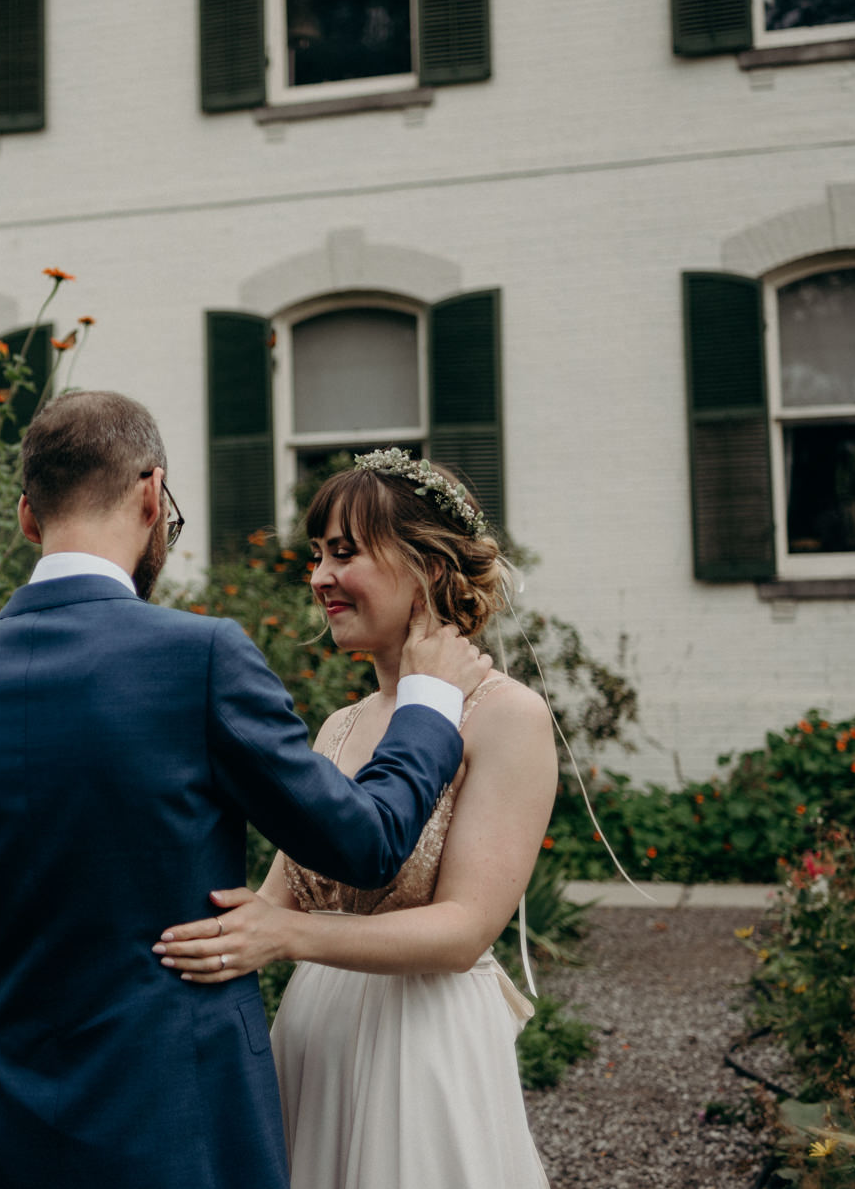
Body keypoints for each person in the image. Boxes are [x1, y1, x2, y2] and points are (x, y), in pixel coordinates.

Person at [0, 393, 495, 1189]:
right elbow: (367, 843)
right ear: (152, 494)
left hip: (9, 1123)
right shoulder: (200, 656)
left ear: (27, 519)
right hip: (181, 1120)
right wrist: (430, 705)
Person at [154, 450, 556, 1187]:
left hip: (424, 1047)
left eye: (345, 553)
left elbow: (466, 929)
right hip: (315, 1035)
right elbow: (274, 902)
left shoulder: (507, 717)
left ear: (429, 569)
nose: (318, 578)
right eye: (315, 556)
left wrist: (288, 937)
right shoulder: (337, 728)